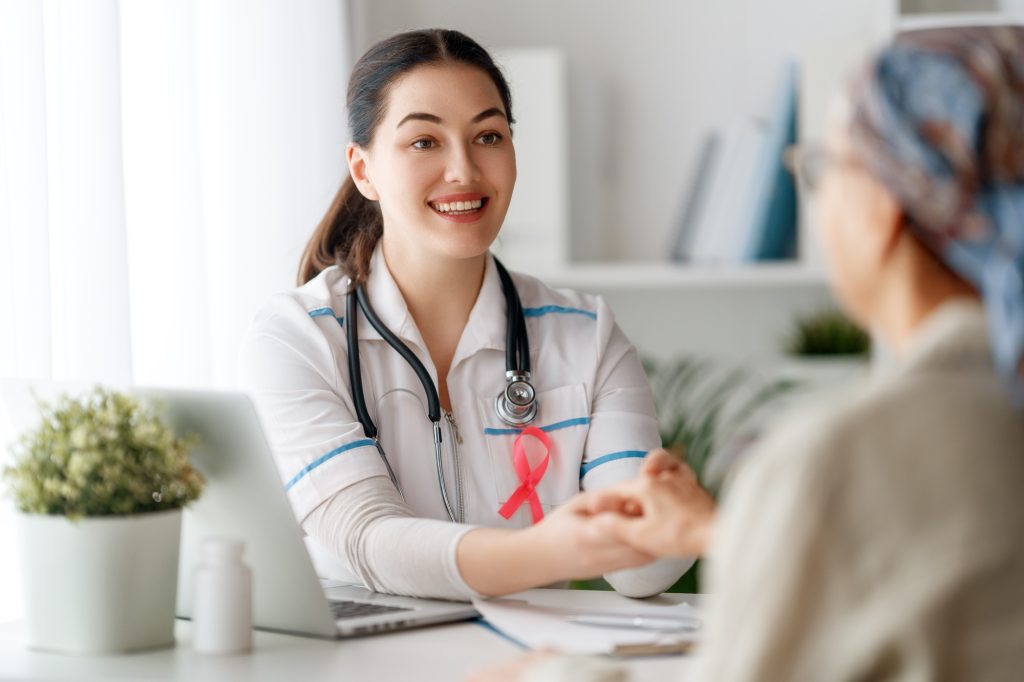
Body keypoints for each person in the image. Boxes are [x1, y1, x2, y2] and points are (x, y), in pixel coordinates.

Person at [474, 24, 1024, 681]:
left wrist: (550, 676)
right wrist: (739, 536)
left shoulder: (836, 464)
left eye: (823, 170)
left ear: (881, 211)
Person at [238, 29, 692, 601]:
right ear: (363, 170)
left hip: (529, 661)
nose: (464, 170)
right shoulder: (296, 336)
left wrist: (672, 518)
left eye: (488, 135)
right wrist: (555, 549)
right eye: (424, 142)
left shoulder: (587, 335)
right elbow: (364, 536)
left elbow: (639, 569)